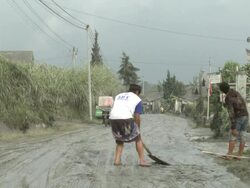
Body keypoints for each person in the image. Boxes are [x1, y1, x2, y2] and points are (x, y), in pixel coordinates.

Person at [109, 84, 150, 166]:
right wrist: (138, 129)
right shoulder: (137, 98)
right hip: (125, 118)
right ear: (137, 92)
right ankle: (142, 161)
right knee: (138, 138)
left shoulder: (119, 95)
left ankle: (117, 160)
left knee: (120, 139)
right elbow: (137, 116)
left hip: (113, 118)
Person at [219, 82, 249, 158]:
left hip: (238, 116)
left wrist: (233, 127)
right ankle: (240, 155)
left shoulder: (228, 97)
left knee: (233, 135)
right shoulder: (236, 92)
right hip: (245, 115)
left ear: (222, 91)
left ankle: (229, 155)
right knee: (243, 135)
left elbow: (231, 112)